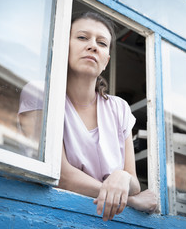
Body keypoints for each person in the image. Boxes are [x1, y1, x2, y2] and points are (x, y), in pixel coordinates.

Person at [58, 11, 157, 221]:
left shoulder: (119, 108)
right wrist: (130, 201)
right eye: (82, 37)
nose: (93, 45)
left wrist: (121, 176)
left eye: (102, 43)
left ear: (106, 61)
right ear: (62, 44)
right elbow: (62, 176)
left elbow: (134, 183)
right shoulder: (43, 94)